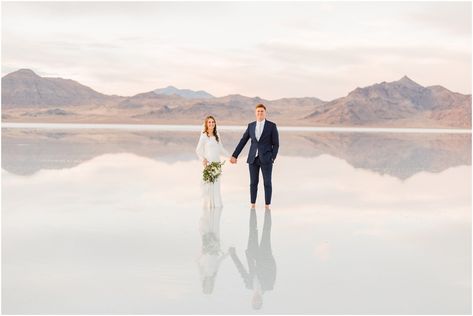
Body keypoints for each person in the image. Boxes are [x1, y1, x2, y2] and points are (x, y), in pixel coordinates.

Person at [230, 104, 279, 209]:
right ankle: (253, 204)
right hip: (253, 159)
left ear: (265, 113)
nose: (260, 113)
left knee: (267, 183)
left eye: (262, 111)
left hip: (266, 159)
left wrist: (272, 157)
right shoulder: (251, 126)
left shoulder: (271, 126)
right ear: (255, 113)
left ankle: (267, 205)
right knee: (253, 183)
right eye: (258, 111)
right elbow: (243, 141)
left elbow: (276, 144)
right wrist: (235, 155)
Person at [195, 115, 232, 208]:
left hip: (217, 164)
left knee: (216, 185)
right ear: (206, 124)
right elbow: (198, 150)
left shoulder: (217, 135)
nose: (211, 124)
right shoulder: (204, 136)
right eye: (209, 122)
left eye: (213, 122)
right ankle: (208, 207)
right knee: (209, 186)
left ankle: (216, 206)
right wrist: (203, 159)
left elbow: (221, 148)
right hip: (209, 165)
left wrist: (230, 157)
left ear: (215, 124)